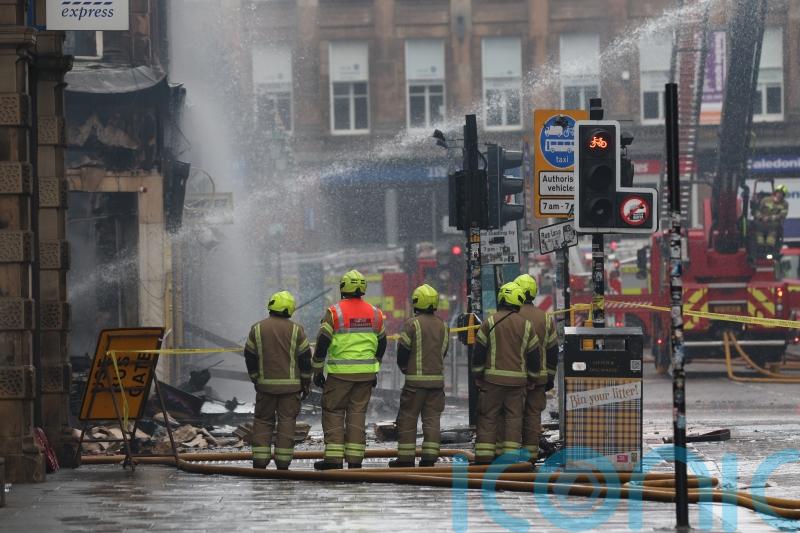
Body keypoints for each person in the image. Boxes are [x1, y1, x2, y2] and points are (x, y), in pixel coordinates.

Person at [312, 270, 387, 470]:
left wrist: (318, 369)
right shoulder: (375, 313)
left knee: (334, 411)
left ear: (343, 288)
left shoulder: (334, 312)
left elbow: (323, 342)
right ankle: (355, 460)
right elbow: (382, 342)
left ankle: (334, 460)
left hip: (339, 374)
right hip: (365, 375)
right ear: (363, 288)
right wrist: (375, 366)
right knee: (357, 413)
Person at [472, 282, 539, 465]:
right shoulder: (526, 325)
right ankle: (509, 459)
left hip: (492, 381)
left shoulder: (490, 322)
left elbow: (479, 352)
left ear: (501, 298)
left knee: (488, 417)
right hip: (517, 383)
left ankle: (485, 457)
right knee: (513, 419)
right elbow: (534, 356)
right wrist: (532, 378)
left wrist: (478, 375)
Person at [243, 290, 312, 470]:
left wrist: (255, 378)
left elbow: (249, 356)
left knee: (263, 421)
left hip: (265, 386)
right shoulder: (297, 330)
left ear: (271, 306)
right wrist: (306, 382)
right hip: (291, 389)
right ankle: (283, 462)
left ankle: (260, 460)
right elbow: (305, 359)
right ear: (290, 309)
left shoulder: (257, 329)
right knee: (287, 422)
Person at [389, 284, 449, 468]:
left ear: (417, 302)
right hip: (436, 383)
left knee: (408, 419)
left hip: (415, 384)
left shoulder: (412, 324)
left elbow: (403, 351)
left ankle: (406, 459)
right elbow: (443, 351)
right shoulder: (443, 326)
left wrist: (405, 367)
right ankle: (429, 458)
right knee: (432, 420)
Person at [513, 274, 559, 465]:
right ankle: (530, 456)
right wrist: (549, 376)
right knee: (533, 416)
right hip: (539, 378)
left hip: (514, 378)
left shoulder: (511, 316)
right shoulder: (545, 318)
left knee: (512, 415)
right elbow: (552, 349)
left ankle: (511, 454)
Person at [755, 185, 789, 252]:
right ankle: (760, 246)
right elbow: (757, 211)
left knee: (773, 229)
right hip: (762, 222)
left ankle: (769, 248)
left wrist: (769, 218)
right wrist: (761, 217)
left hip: (774, 223)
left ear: (784, 195)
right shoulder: (765, 200)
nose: (779, 195)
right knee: (757, 228)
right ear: (775, 192)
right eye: (778, 192)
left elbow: (782, 215)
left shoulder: (785, 204)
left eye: (782, 194)